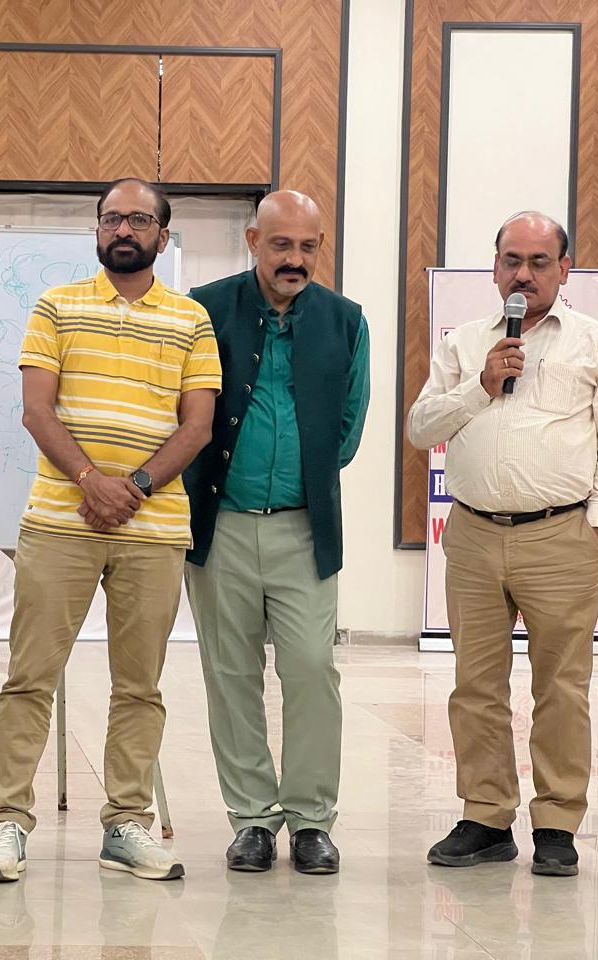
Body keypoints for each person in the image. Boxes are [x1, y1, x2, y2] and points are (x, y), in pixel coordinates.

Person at [0, 178, 220, 884]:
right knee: (29, 678)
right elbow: (36, 410)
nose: (124, 230)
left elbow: (197, 425)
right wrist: (90, 481)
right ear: (97, 230)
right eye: (112, 218)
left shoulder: (192, 321)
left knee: (139, 686)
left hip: (154, 527)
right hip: (61, 521)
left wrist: (131, 487)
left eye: (139, 220)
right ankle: (5, 823)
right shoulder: (56, 306)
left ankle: (126, 824)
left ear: (162, 236)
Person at [409, 211, 598, 877]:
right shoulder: (464, 344)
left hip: (561, 536)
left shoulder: (593, 343)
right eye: (512, 260)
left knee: (562, 687)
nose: (524, 274)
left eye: (539, 262)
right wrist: (480, 385)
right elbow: (422, 428)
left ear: (564, 270)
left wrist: (596, 524)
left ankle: (558, 822)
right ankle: (486, 817)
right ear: (495, 267)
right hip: (474, 535)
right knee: (475, 685)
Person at [183, 190, 370, 876]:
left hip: (303, 528)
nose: (295, 259)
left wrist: (301, 468)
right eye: (281, 244)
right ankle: (253, 820)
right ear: (253, 241)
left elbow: (348, 425)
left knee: (313, 670)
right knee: (231, 674)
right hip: (221, 524)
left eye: (308, 246)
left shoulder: (346, 320)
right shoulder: (204, 309)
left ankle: (312, 819)